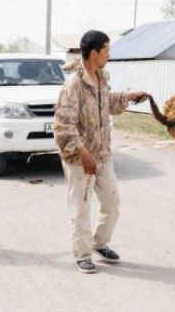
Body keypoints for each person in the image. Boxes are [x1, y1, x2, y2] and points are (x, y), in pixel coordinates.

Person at [53, 30, 148, 274]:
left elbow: (107, 103)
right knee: (81, 208)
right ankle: (83, 254)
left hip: (103, 155)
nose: (109, 55)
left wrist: (129, 96)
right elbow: (63, 126)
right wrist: (84, 154)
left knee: (112, 203)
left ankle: (99, 243)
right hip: (79, 158)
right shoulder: (73, 85)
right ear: (94, 52)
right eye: (106, 50)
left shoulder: (102, 77)